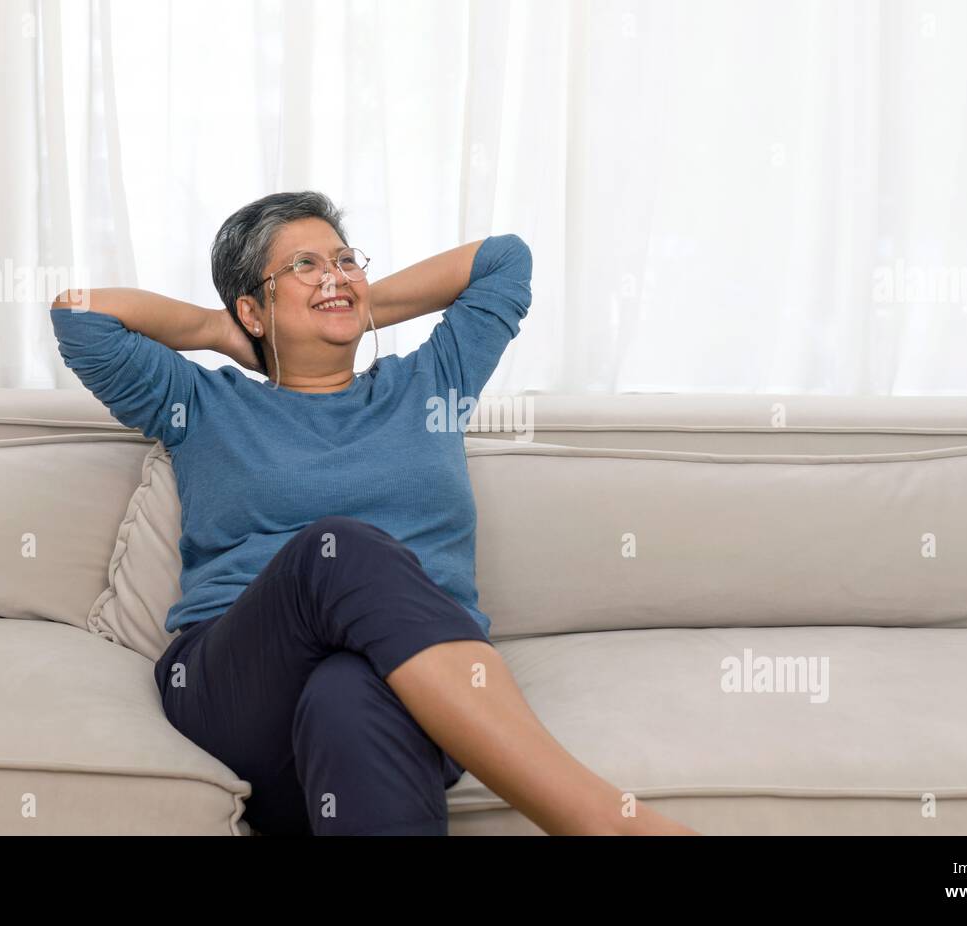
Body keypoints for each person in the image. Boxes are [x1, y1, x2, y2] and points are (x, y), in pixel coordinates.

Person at [50, 190, 697, 836]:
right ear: (252, 306)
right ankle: (605, 823)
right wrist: (226, 330)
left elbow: (505, 260)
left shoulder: (429, 385)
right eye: (303, 265)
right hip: (239, 684)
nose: (334, 273)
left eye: (344, 260)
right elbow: (79, 315)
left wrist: (351, 303)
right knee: (337, 551)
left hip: (400, 697)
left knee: (347, 693)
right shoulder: (199, 403)